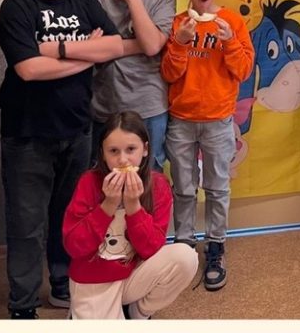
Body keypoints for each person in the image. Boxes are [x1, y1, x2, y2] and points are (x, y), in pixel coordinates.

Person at [0, 0, 125, 318]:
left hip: (78, 128)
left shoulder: (82, 1)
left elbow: (114, 46)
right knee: (27, 224)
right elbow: (29, 70)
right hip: (28, 134)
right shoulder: (16, 7)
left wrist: (57, 50)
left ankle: (62, 283)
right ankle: (22, 305)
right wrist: (87, 51)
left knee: (69, 216)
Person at [161, 0, 254, 291]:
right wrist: (181, 43)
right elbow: (169, 73)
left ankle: (216, 246)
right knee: (183, 188)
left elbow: (243, 71)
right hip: (182, 119)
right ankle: (185, 245)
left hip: (218, 119)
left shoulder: (232, 21)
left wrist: (229, 42)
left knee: (217, 187)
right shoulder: (177, 23)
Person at [62, 111, 198, 318]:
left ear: (145, 149)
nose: (122, 160)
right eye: (113, 151)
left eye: (131, 149)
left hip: (134, 273)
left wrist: (133, 207)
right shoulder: (88, 182)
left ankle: (139, 312)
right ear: (102, 153)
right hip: (93, 278)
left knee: (185, 257)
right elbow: (74, 247)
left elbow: (151, 248)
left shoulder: (158, 185)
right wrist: (108, 205)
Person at [88, 0, 176, 171]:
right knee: (103, 175)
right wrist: (133, 44)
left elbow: (151, 46)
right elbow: (90, 49)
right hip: (104, 102)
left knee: (149, 174)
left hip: (148, 103)